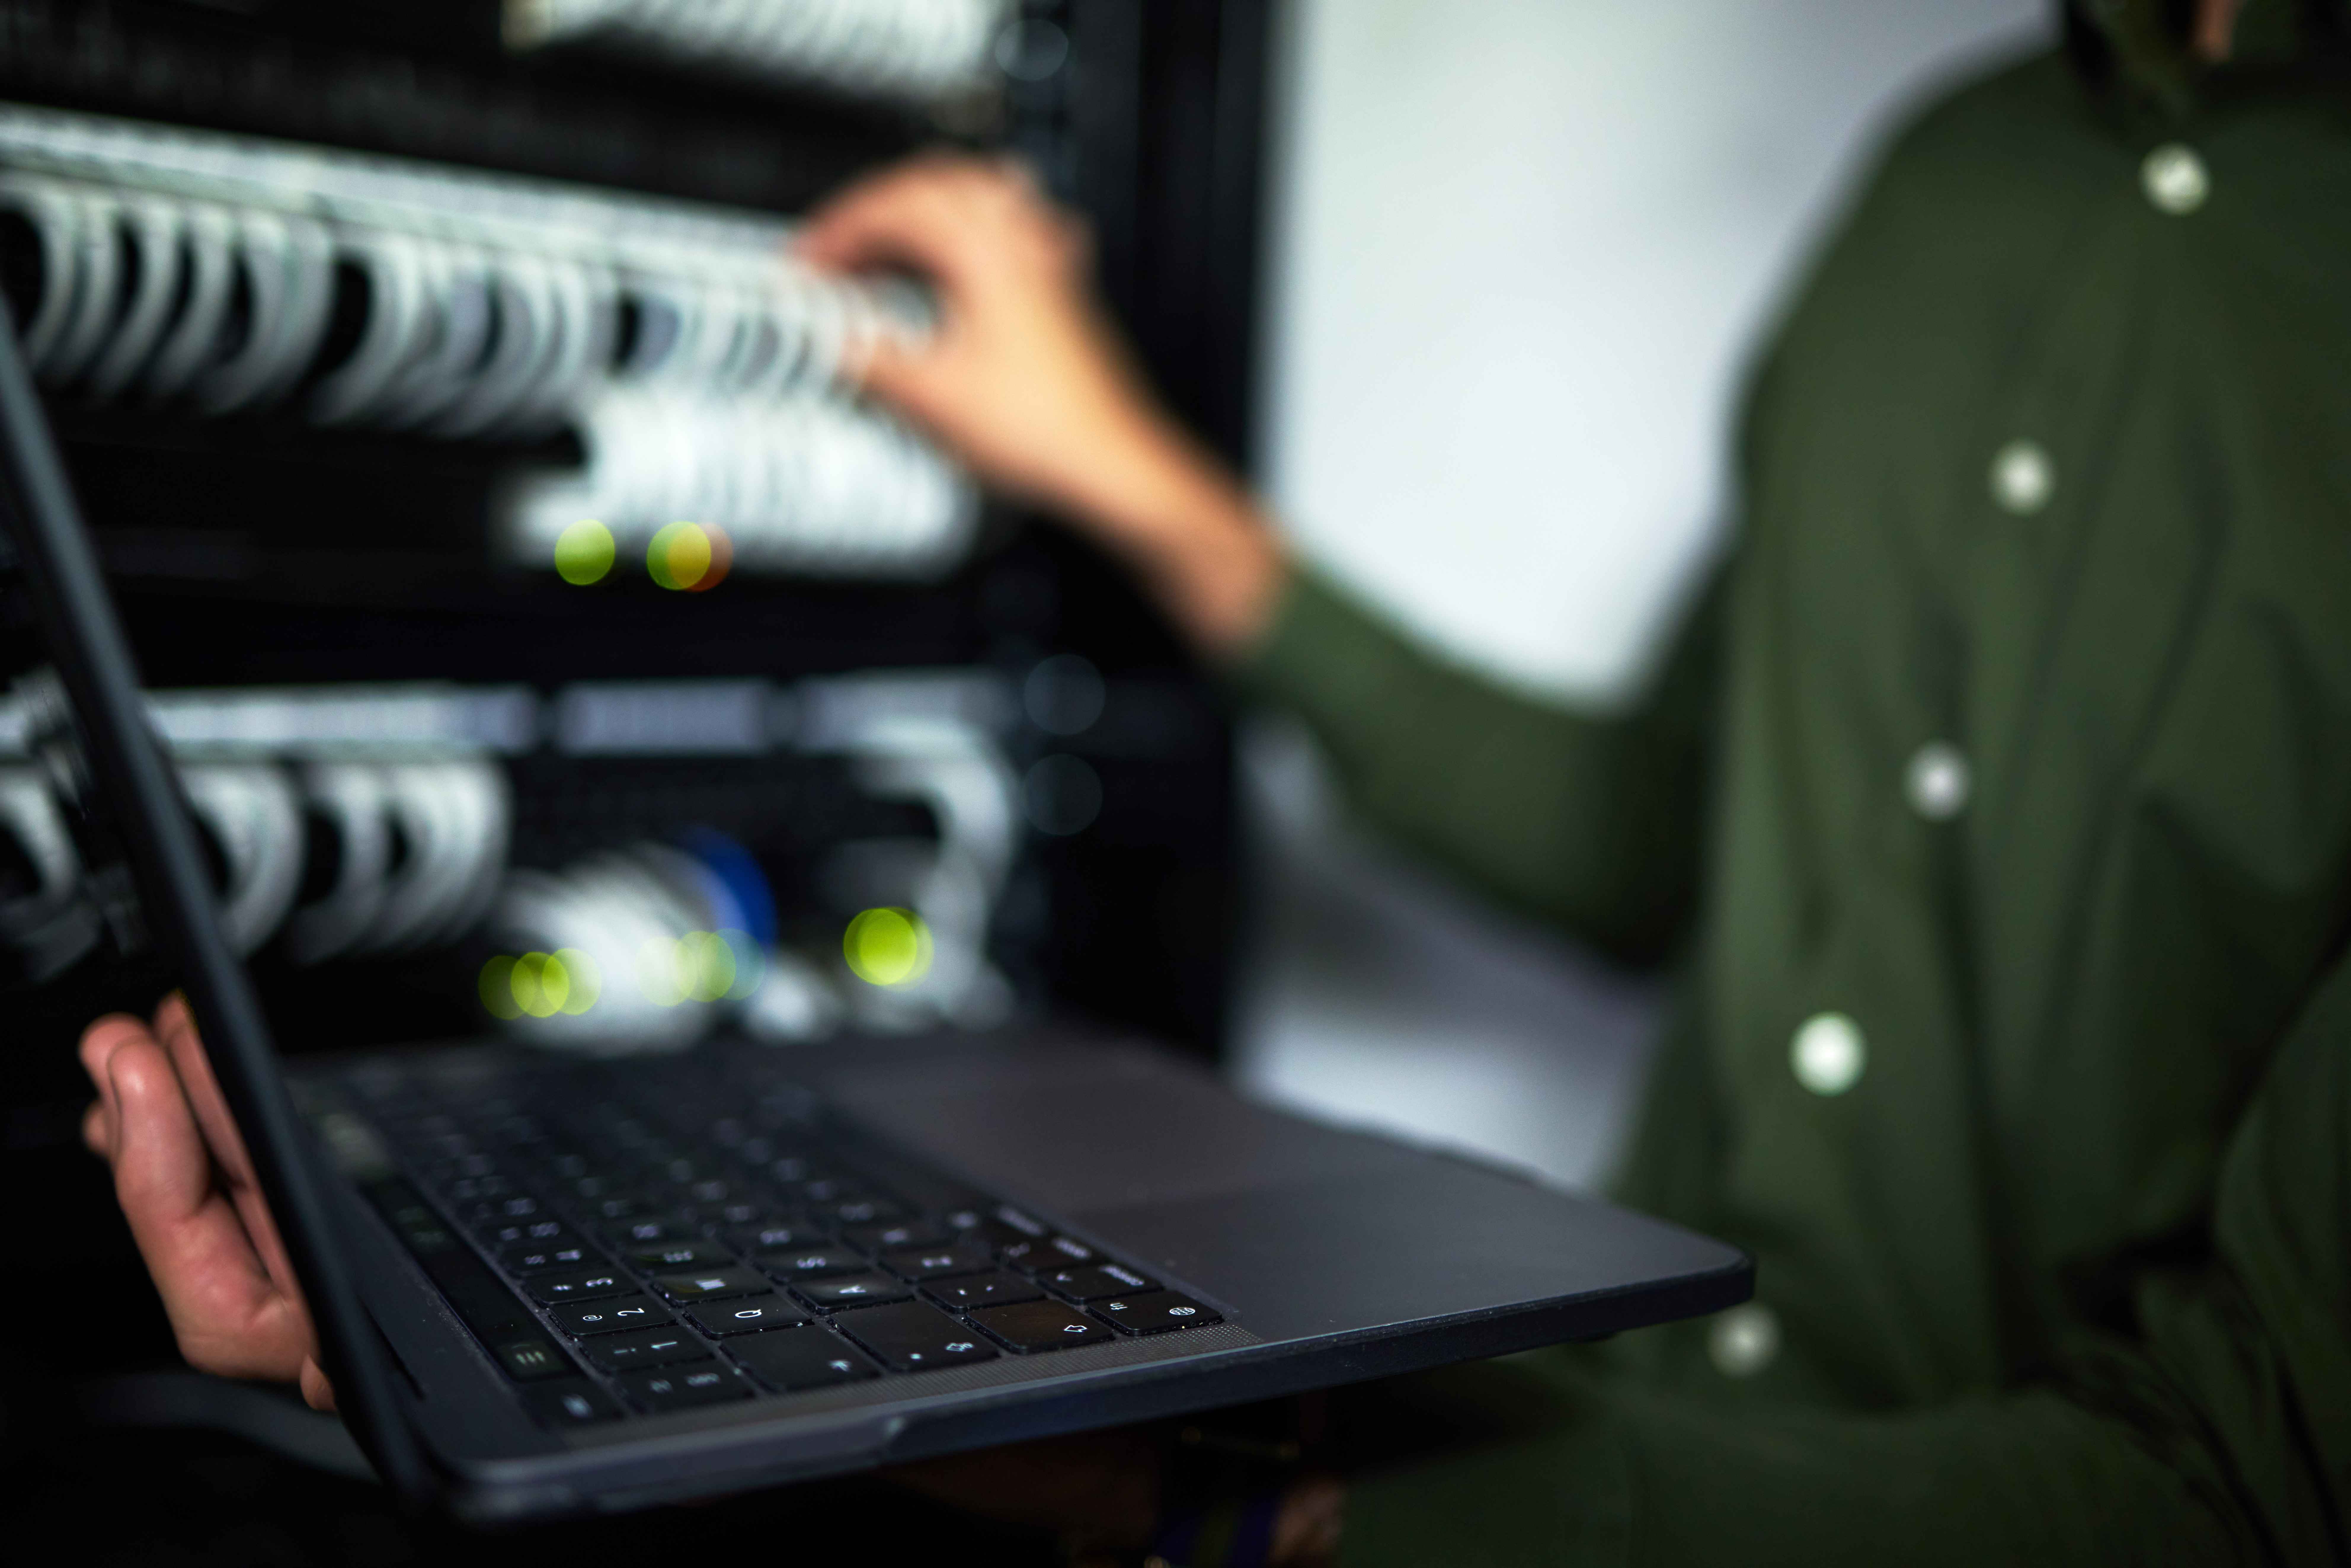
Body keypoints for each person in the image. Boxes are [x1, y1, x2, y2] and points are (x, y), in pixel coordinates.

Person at [78, 0, 2351, 1561]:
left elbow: (2263, 1496)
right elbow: (1679, 841)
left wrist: (1261, 1490)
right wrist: (1128, 477)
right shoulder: (1951, 183)